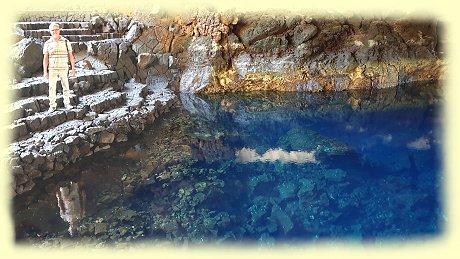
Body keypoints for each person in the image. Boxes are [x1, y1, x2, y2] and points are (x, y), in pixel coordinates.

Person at [43, 22, 76, 112]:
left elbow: (71, 55)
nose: (55, 31)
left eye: (56, 29)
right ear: (50, 31)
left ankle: (67, 103)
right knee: (52, 87)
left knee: (66, 86)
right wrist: (45, 71)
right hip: (52, 69)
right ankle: (52, 106)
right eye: (52, 30)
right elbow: (45, 58)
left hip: (64, 68)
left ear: (59, 30)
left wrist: (73, 68)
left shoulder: (66, 42)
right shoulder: (47, 43)